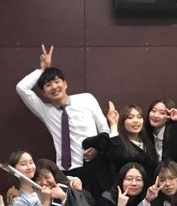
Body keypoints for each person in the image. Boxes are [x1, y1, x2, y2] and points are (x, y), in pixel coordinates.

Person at [16, 45, 108, 178]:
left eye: (57, 82)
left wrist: (98, 149)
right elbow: (21, 88)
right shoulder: (46, 111)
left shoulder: (86, 99)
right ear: (44, 93)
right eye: (48, 85)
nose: (54, 87)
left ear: (65, 84)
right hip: (65, 173)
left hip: (93, 166)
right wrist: (42, 69)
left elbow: (103, 128)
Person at [103, 103, 157, 177]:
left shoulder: (148, 141)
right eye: (130, 117)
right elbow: (116, 155)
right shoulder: (118, 144)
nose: (136, 121)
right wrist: (113, 124)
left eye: (139, 117)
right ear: (122, 122)